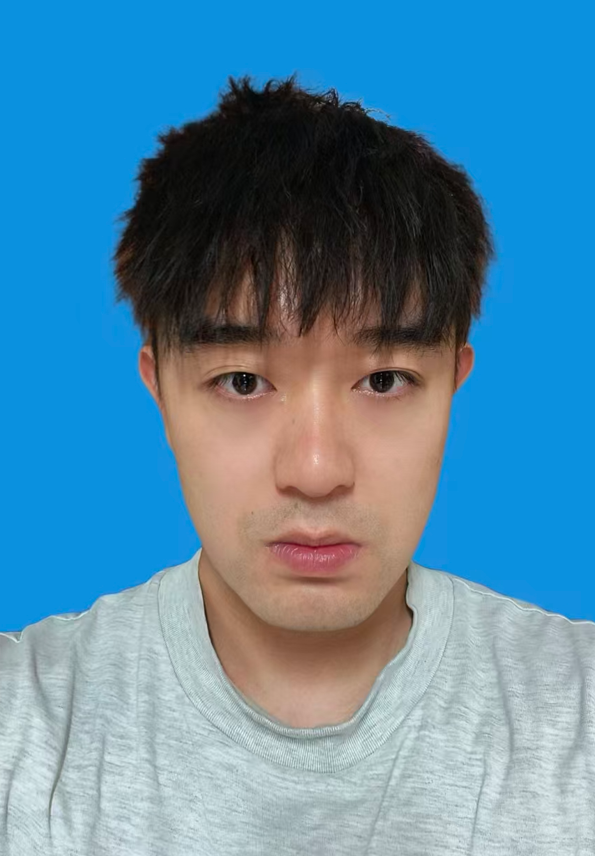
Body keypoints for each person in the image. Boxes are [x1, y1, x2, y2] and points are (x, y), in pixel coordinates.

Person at [1, 73, 593, 855]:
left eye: (384, 380)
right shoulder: (25, 725)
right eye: (243, 382)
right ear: (159, 388)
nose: (316, 471)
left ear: (453, 383)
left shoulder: (576, 714)